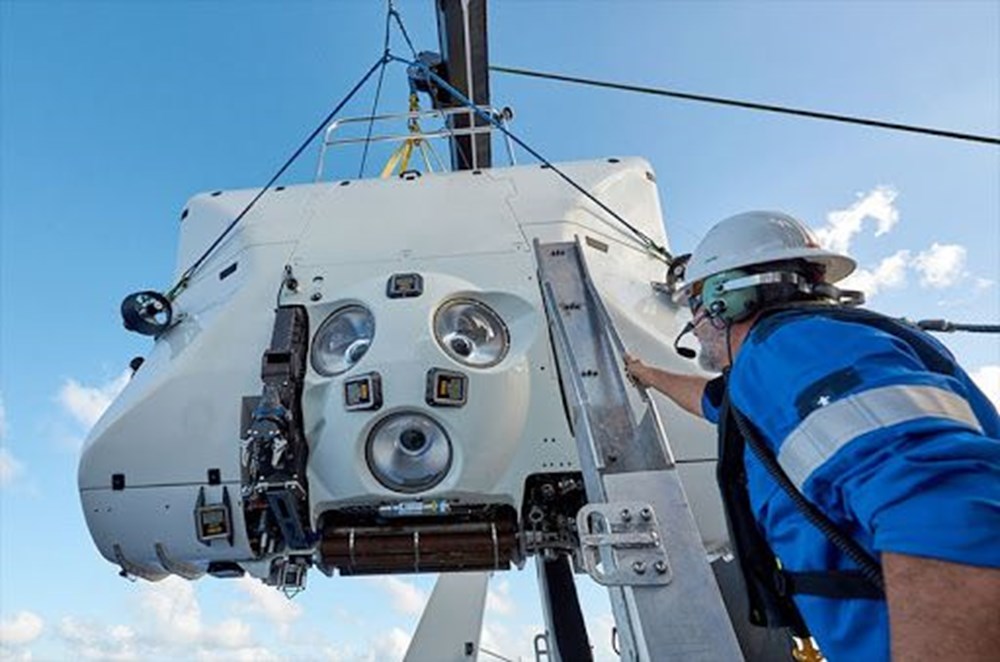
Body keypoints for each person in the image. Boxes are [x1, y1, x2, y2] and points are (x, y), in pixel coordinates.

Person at [623, 210, 1000, 662]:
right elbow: (713, 401)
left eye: (696, 306)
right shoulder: (784, 368)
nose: (696, 325)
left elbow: (943, 507)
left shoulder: (796, 350)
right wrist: (646, 373)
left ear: (726, 300)